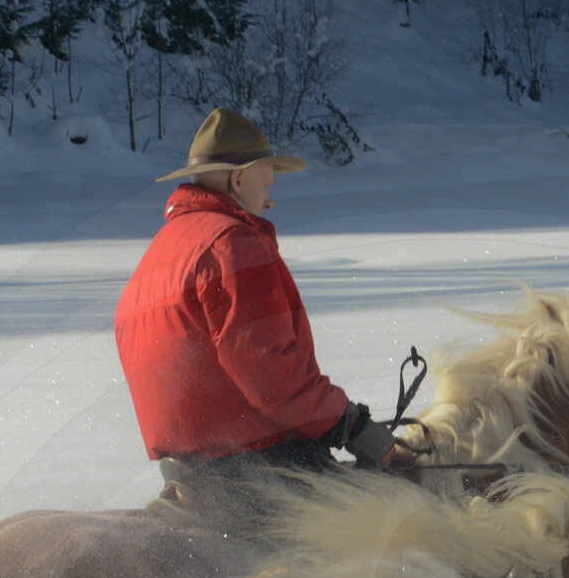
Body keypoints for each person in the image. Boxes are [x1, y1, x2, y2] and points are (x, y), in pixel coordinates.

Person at [114, 108, 397, 527]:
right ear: (238, 178)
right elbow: (269, 369)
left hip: (191, 470)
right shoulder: (232, 244)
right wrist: (348, 423)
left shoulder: (164, 249)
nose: (269, 200)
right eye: (266, 183)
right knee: (391, 529)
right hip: (255, 467)